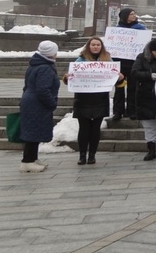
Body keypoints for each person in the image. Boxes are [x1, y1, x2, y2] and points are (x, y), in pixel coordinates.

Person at [66, 37, 124, 165]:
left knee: (95, 129)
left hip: (100, 98)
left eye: (98, 45)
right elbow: (69, 78)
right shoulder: (80, 60)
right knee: (84, 128)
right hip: (83, 99)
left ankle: (92, 154)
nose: (96, 47)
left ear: (101, 46)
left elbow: (117, 81)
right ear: (89, 46)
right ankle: (82, 155)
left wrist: (120, 78)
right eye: (93, 45)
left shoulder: (108, 60)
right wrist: (68, 77)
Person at [19, 41, 60, 173]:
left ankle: (32, 158)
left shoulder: (36, 64)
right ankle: (27, 161)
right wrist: (52, 103)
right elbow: (43, 90)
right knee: (33, 131)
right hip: (37, 102)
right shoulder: (45, 68)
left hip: (30, 100)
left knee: (33, 130)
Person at [111, 7, 145, 121]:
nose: (134, 16)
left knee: (133, 88)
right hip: (119, 63)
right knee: (119, 88)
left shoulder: (140, 29)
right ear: (125, 16)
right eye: (131, 14)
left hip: (134, 63)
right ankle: (118, 111)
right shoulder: (117, 30)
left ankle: (132, 110)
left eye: (134, 14)